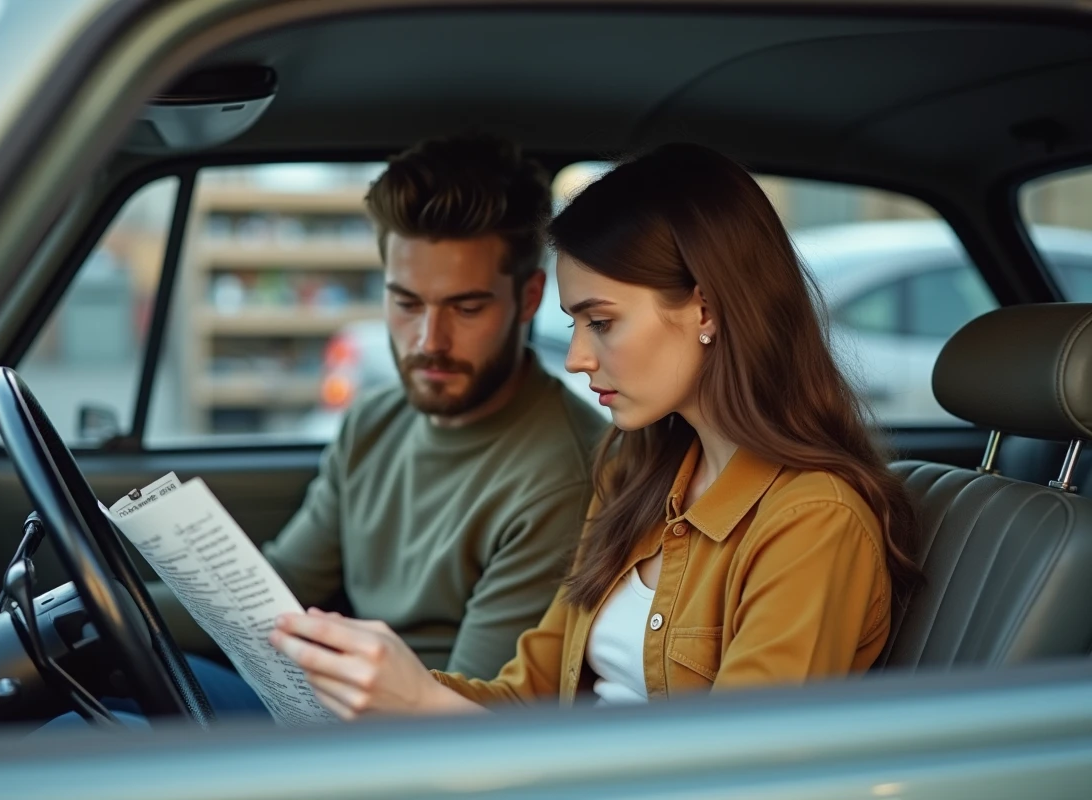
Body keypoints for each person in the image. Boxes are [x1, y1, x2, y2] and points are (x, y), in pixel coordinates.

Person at [267, 143, 923, 718]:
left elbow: (736, 772)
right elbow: (529, 697)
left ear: (705, 308)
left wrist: (426, 706)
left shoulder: (812, 521)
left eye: (601, 322)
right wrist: (390, 687)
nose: (576, 356)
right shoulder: (639, 478)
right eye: (574, 324)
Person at [149, 134, 608, 715]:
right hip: (312, 700)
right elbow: (282, 589)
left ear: (528, 297)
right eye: (407, 303)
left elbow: (471, 707)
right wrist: (106, 609)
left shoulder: (562, 476)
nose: (428, 342)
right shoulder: (373, 420)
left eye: (466, 308)